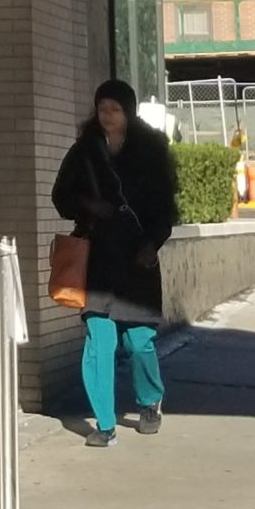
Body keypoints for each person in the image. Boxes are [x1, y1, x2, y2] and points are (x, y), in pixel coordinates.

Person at [52, 78, 179, 447]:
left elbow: (165, 209)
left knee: (140, 342)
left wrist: (153, 244)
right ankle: (104, 424)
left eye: (115, 109)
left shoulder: (152, 150)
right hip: (98, 256)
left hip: (138, 257)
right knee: (99, 339)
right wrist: (88, 205)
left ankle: (149, 400)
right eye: (102, 108)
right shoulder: (85, 151)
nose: (107, 116)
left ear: (129, 111)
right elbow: (60, 197)